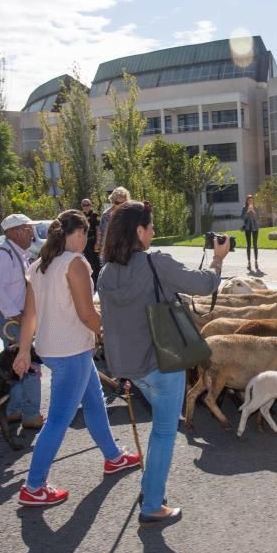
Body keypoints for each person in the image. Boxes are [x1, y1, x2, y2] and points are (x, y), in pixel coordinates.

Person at [98, 200, 230, 526]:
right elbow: (204, 284)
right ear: (139, 231)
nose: (154, 231)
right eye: (151, 226)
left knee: (158, 429)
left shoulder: (106, 272)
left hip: (127, 366)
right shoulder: (155, 262)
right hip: (162, 361)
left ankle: (150, 487)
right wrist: (217, 258)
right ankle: (153, 504)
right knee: (163, 433)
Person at [13, 210, 141, 507]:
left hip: (54, 349)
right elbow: (86, 313)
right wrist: (111, 333)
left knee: (94, 400)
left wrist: (22, 351)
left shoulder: (39, 266)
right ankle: (33, 485)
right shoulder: (76, 263)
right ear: (79, 233)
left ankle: (113, 456)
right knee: (59, 419)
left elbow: (28, 315)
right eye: (86, 234)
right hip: (71, 349)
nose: (88, 240)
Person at [0, 213, 44, 430]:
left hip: (17, 317)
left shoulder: (19, 253)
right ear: (15, 232)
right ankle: (30, 414)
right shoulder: (2, 255)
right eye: (28, 229)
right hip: (12, 319)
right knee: (29, 364)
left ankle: (14, 410)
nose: (32, 233)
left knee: (16, 366)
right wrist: (21, 319)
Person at [98, 186, 131, 260]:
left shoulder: (130, 214)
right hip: (109, 253)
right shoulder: (106, 215)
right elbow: (103, 234)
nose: (120, 205)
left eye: (123, 202)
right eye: (117, 202)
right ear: (112, 201)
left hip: (126, 252)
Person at [81, 198, 101, 285]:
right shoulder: (81, 215)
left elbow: (98, 229)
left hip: (93, 241)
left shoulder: (95, 215)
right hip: (84, 241)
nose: (86, 207)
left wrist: (98, 242)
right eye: (84, 205)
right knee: (88, 261)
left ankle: (98, 281)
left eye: (87, 205)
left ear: (90, 205)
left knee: (95, 262)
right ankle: (91, 281)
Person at [241, 194, 260, 272]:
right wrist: (247, 212)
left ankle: (256, 261)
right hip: (247, 228)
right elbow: (242, 218)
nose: (250, 201)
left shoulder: (256, 208)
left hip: (255, 228)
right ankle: (249, 262)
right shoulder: (244, 208)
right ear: (247, 201)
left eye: (251, 200)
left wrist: (254, 212)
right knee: (248, 245)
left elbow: (258, 218)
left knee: (255, 244)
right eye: (249, 200)